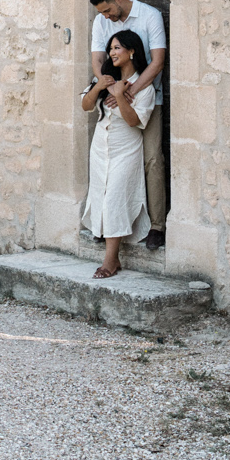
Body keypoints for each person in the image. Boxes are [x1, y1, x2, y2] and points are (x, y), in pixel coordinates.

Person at [90, 0, 168, 249]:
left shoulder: (150, 16)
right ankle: (105, 224)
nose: (106, 17)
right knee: (112, 166)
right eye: (101, 13)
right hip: (115, 100)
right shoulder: (101, 22)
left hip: (147, 98)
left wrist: (130, 89)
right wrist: (108, 86)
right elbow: (97, 60)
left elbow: (157, 60)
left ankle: (157, 226)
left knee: (152, 160)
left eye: (108, 10)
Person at [80, 30, 156, 276]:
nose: (111, 53)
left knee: (115, 197)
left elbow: (134, 121)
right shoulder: (106, 78)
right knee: (101, 194)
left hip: (126, 148)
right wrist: (99, 87)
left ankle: (110, 261)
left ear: (132, 51)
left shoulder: (144, 88)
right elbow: (86, 105)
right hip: (100, 146)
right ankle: (110, 252)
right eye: (110, 48)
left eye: (117, 48)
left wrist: (120, 95)